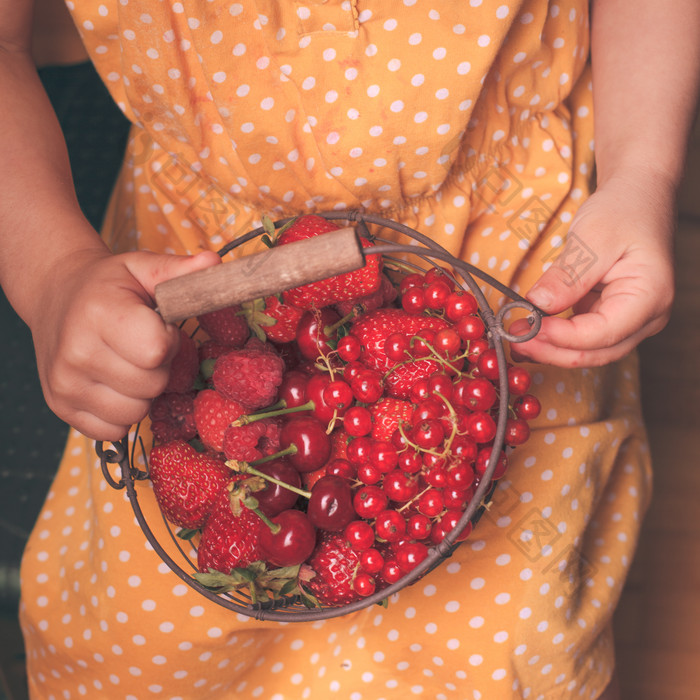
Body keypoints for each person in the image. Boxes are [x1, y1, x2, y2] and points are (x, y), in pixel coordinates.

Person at [2, 1, 699, 698]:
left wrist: (642, 174)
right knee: (139, 648)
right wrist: (53, 274)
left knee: (510, 648)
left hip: (498, 255)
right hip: (204, 274)